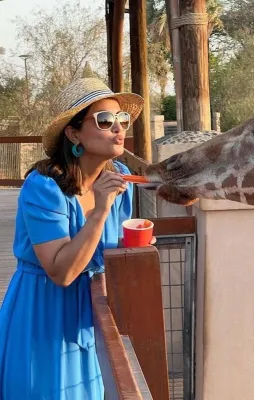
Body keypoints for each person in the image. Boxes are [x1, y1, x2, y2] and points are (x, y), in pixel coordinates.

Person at [0, 78, 144, 399]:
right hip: (41, 313)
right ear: (74, 132)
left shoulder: (120, 180)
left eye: (122, 120)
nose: (118, 129)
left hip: (90, 313)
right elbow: (61, 272)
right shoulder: (44, 187)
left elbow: (114, 254)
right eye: (105, 121)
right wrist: (100, 210)